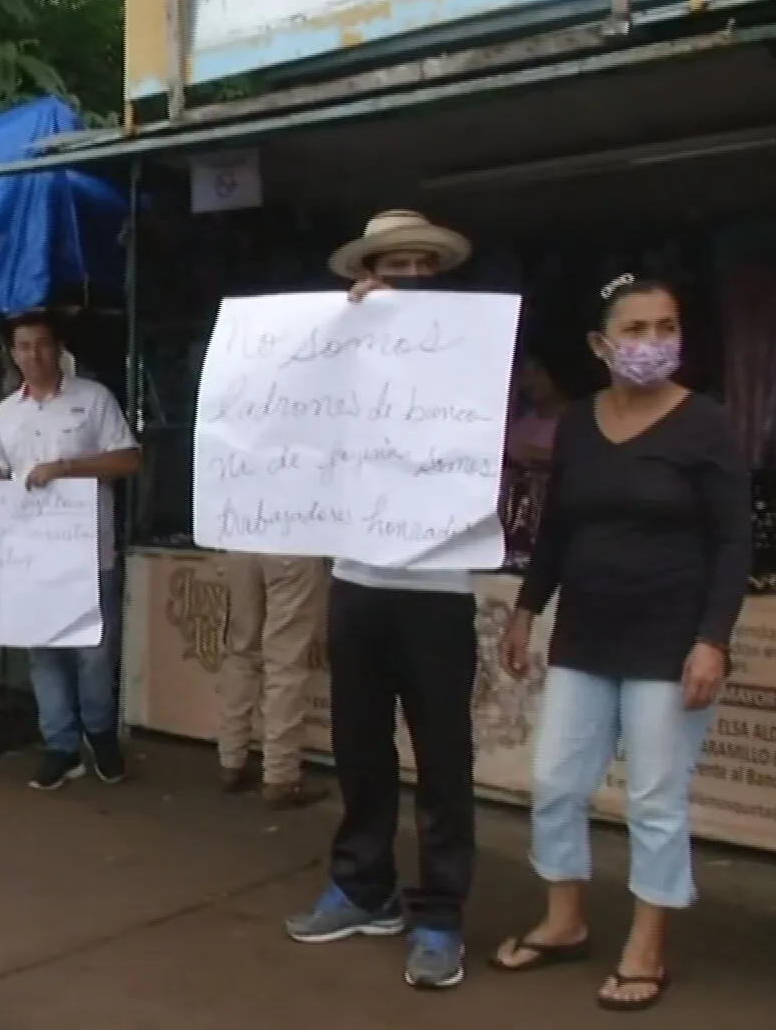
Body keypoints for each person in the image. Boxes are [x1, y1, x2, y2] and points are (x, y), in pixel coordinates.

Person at [492, 276, 750, 1012]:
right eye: (634, 329)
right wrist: (525, 610)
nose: (652, 343)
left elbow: (734, 541)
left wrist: (713, 640)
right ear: (601, 345)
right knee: (555, 782)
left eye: (665, 326)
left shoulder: (707, 425)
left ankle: (648, 946)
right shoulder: (577, 423)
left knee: (655, 800)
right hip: (585, 636)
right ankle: (565, 918)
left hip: (671, 642)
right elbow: (558, 531)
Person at [282, 210, 482, 991]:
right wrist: (347, 332)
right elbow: (290, 410)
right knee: (360, 748)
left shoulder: (467, 349)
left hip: (439, 585)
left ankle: (439, 915)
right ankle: (365, 887)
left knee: (443, 758)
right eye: (393, 267)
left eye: (423, 267)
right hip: (360, 579)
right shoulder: (342, 348)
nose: (409, 280)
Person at [0, 313, 140, 791]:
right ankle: (61, 747)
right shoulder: (7, 411)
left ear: (57, 348)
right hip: (32, 555)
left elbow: (129, 459)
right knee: (44, 653)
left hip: (89, 552)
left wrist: (67, 467)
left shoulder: (93, 398)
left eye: (41, 345)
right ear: (14, 353)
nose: (33, 355)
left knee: (93, 653)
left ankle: (101, 736)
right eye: (23, 347)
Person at [215, 549, 328, 808]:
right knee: (284, 662)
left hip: (242, 541)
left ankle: (230, 761)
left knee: (241, 653)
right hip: (292, 542)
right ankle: (281, 775)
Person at [506, 357, 564, 469]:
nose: (528, 382)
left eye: (537, 372)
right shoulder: (524, 419)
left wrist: (531, 452)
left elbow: (581, 458)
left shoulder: (575, 419)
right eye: (523, 375)